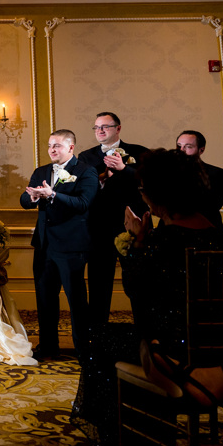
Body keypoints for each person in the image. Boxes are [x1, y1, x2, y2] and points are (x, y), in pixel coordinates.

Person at [72, 149, 223, 446]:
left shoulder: (163, 242)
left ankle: (125, 435)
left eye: (142, 190)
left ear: (156, 193)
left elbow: (139, 298)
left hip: (172, 343)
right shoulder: (212, 234)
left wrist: (138, 244)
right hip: (215, 340)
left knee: (99, 338)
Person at [19, 129, 97, 359]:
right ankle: (48, 346)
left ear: (71, 147)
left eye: (57, 146)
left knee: (76, 301)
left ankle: (83, 350)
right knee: (45, 299)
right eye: (50, 145)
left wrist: (53, 195)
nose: (52, 149)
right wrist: (32, 197)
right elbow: (24, 200)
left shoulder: (85, 171)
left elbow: (83, 203)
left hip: (72, 246)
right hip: (44, 245)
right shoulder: (41, 171)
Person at [76, 112, 148, 326]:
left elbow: (150, 182)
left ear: (118, 128)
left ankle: (146, 335)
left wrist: (125, 169)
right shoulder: (86, 157)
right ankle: (97, 337)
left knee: (139, 283)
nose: (100, 130)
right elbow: (81, 189)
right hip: (99, 228)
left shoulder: (140, 153)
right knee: (99, 284)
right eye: (97, 127)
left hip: (134, 227)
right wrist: (101, 180)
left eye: (106, 126)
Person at [175, 129, 223, 233]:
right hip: (173, 230)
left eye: (188, 146)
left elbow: (212, 206)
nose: (181, 150)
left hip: (207, 230)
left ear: (201, 150)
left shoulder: (217, 174)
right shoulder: (166, 173)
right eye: (179, 146)